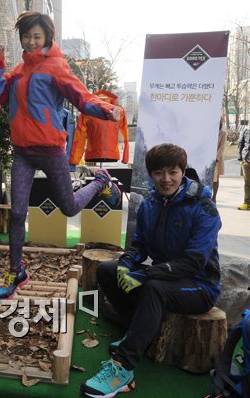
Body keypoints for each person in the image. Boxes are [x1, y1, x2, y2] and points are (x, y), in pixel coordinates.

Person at [0, 12, 122, 300]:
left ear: (48, 37)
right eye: (26, 36)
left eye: (36, 36)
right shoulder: (20, 70)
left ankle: (101, 181)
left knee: (69, 207)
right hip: (22, 152)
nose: (31, 41)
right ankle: (16, 271)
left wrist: (105, 110)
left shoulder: (57, 67)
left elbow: (81, 96)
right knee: (17, 214)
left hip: (51, 150)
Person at [81, 143, 222, 397]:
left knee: (154, 287)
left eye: (173, 172)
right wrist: (126, 265)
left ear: (183, 172)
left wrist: (147, 274)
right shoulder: (150, 204)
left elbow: (195, 262)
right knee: (108, 271)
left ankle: (122, 370)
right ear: (151, 174)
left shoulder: (202, 203)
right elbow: (139, 247)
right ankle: (137, 333)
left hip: (200, 285)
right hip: (167, 279)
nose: (166, 179)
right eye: (158, 173)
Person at [212, 117, 227, 203]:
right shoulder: (209, 129)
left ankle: (214, 197)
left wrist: (216, 159)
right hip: (207, 157)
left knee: (215, 179)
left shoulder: (223, 132)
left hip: (217, 159)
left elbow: (222, 147)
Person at [237, 126, 250, 210]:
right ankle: (247, 203)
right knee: (247, 183)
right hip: (246, 160)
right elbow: (241, 143)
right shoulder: (246, 129)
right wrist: (240, 158)